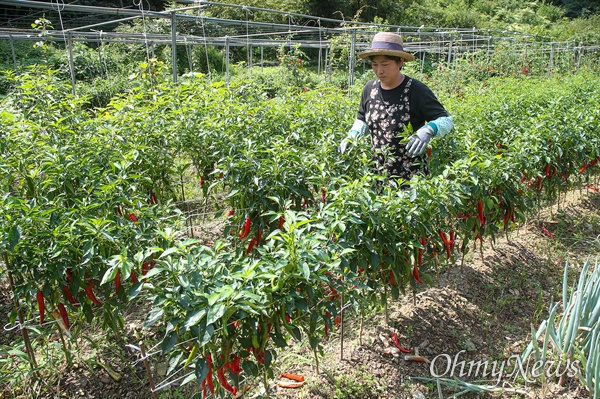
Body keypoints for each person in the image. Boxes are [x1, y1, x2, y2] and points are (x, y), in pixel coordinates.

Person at [339, 32, 454, 181]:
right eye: (375, 65)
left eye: (385, 64)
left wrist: (429, 130)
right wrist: (353, 135)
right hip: (378, 173)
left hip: (411, 179)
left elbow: (446, 120)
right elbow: (362, 119)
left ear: (400, 62)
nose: (379, 71)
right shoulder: (370, 89)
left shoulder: (417, 90)